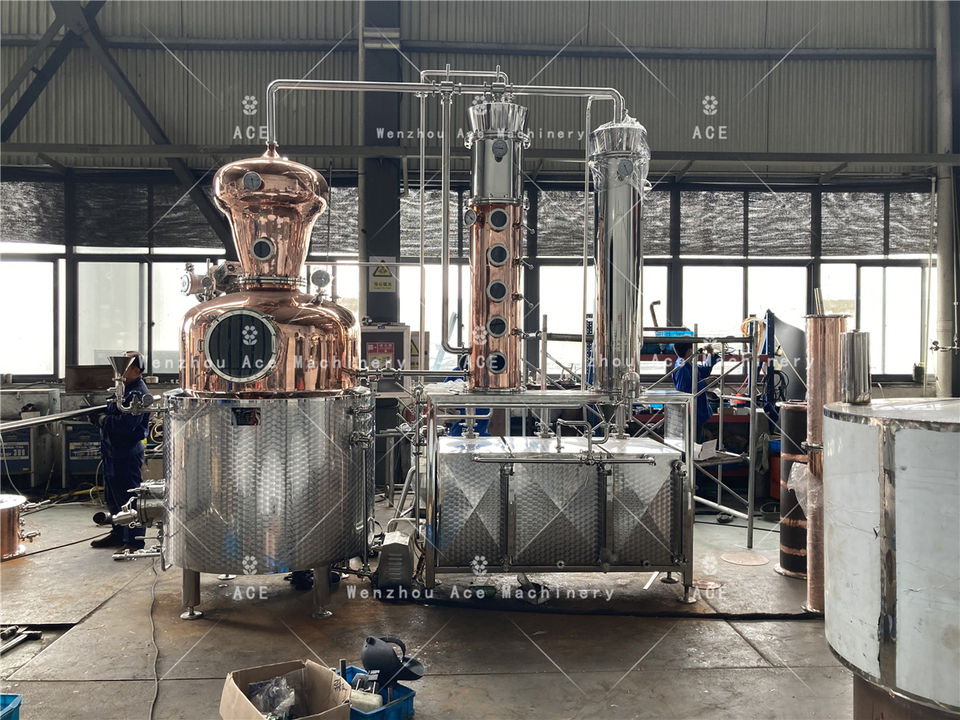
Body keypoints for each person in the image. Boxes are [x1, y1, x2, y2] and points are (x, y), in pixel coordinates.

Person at [91, 351, 149, 551]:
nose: (119, 372)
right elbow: (114, 410)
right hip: (112, 451)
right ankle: (118, 534)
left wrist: (103, 420)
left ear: (136, 370)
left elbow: (127, 424)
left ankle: (134, 541)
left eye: (125, 368)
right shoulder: (123, 388)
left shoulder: (137, 393)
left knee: (129, 498)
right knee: (113, 497)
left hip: (127, 452)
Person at [672, 341, 720, 443]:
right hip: (691, 410)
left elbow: (704, 371)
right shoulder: (682, 368)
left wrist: (710, 355)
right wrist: (704, 383)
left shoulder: (689, 363)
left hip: (698, 408)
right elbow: (685, 392)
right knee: (693, 441)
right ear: (689, 351)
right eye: (695, 348)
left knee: (698, 438)